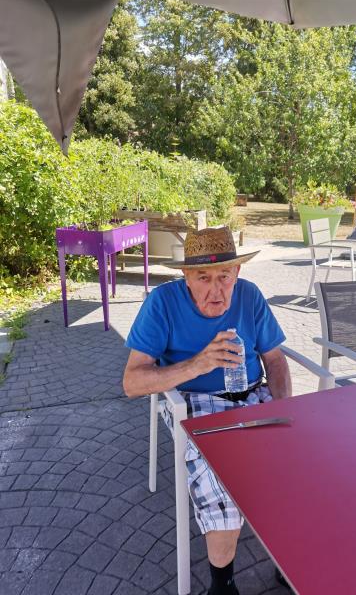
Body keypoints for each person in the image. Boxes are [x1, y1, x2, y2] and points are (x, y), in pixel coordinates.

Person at [123, 226, 292, 594]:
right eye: (203, 278)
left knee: (298, 470)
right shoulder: (162, 303)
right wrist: (197, 365)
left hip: (255, 395)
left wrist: (285, 409)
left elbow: (276, 360)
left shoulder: (249, 295)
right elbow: (132, 382)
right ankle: (222, 583)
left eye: (224, 276)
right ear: (186, 277)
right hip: (194, 402)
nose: (216, 290)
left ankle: (288, 558)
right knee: (223, 488)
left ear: (237, 273)